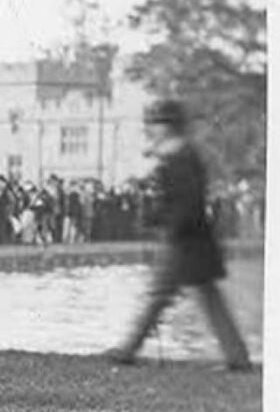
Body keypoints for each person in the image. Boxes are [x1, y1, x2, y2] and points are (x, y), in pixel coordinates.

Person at [105, 100, 251, 371]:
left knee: (160, 294)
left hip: (183, 239)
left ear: (169, 126)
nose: (151, 129)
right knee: (204, 295)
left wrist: (163, 221)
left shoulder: (179, 157)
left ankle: (128, 349)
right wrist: (158, 217)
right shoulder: (179, 154)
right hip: (191, 237)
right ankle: (237, 357)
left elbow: (187, 202)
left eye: (157, 124)